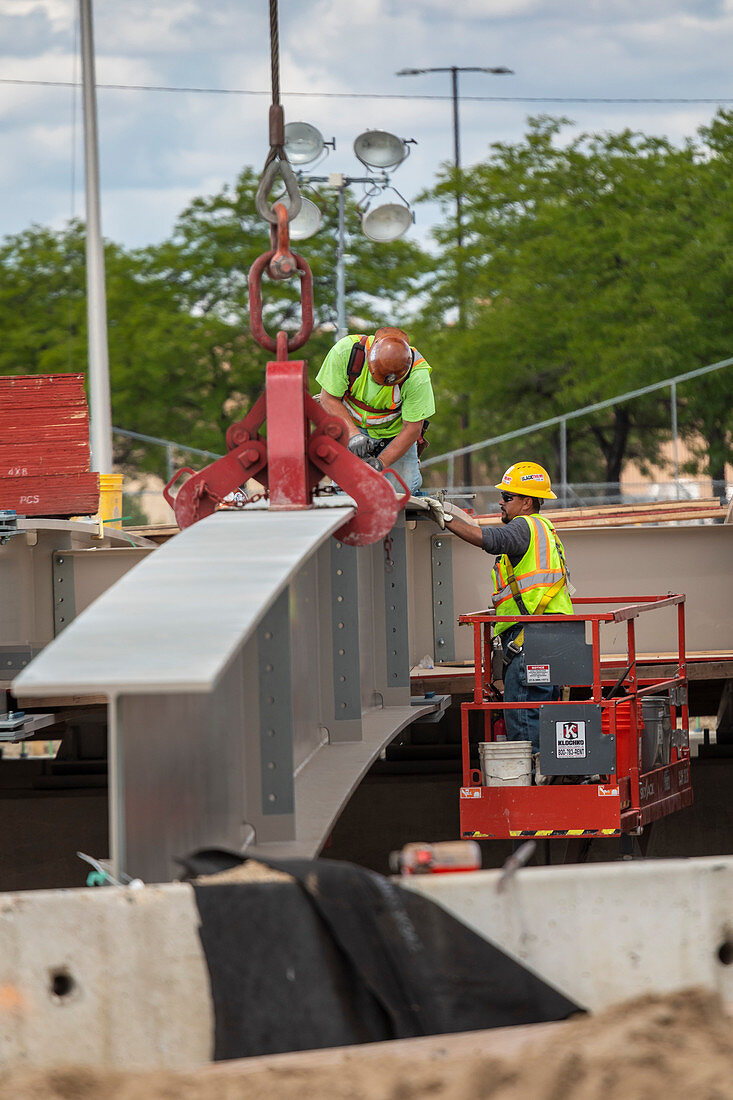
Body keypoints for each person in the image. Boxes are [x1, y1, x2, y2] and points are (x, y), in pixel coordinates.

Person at [424, 462, 574, 754]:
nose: (500, 502)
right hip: (550, 634)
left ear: (527, 501)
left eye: (507, 497)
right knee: (543, 713)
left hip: (532, 638)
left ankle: (531, 785)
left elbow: (490, 540)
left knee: (523, 719)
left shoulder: (523, 527)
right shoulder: (544, 529)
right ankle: (549, 775)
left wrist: (446, 519)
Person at [315, 326, 435, 494]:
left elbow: (412, 428)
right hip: (350, 425)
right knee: (347, 491)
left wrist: (381, 463)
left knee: (400, 492)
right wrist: (353, 435)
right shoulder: (346, 352)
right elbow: (328, 399)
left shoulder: (417, 376)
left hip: (394, 436)